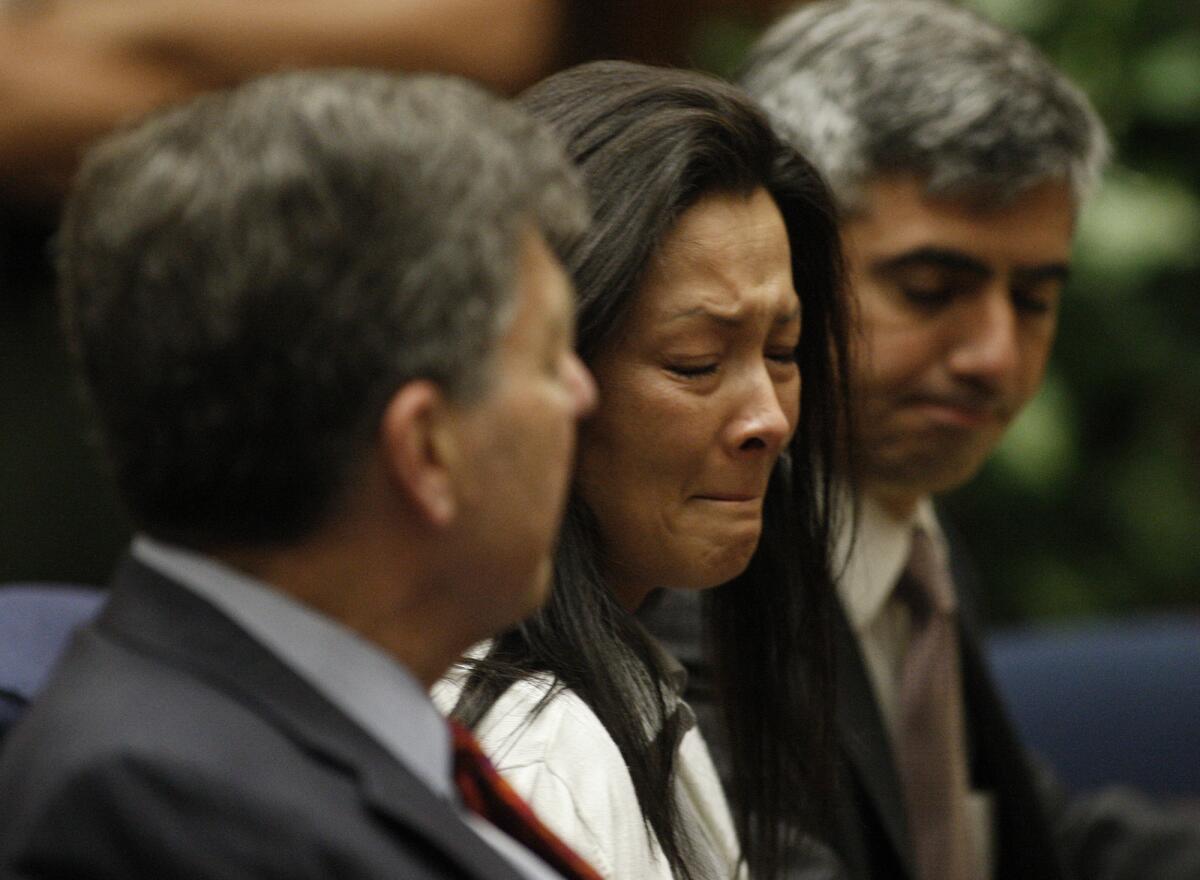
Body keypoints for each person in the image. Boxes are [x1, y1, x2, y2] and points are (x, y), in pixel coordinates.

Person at [642, 2, 1200, 879]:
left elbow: (1022, 847)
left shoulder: (907, 546)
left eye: (1034, 298)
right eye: (932, 288)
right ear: (775, 266)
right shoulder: (691, 584)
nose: (995, 356)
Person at [0, 69, 601, 879]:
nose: (582, 393)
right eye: (547, 356)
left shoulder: (269, 734)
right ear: (428, 450)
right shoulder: (164, 809)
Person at [435, 60, 851, 880]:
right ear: (541, 373)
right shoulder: (536, 759)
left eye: (784, 352)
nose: (767, 418)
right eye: (696, 363)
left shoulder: (629, 684)